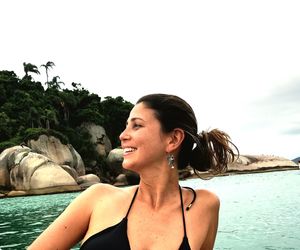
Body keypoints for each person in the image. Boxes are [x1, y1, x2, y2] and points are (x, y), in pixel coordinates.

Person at [28, 93, 237, 250]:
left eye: (136, 126)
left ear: (173, 139)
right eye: (126, 126)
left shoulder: (205, 206)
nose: (122, 135)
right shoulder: (97, 198)